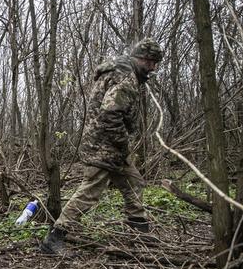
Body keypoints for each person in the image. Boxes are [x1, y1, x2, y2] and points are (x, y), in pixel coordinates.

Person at [39, 37, 164, 254]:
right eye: (151, 62)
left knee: (134, 182)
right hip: (105, 146)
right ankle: (55, 237)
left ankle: (141, 233)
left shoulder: (118, 71)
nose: (153, 68)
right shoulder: (126, 77)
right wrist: (122, 142)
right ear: (142, 59)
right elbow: (110, 113)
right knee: (90, 192)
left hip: (109, 145)